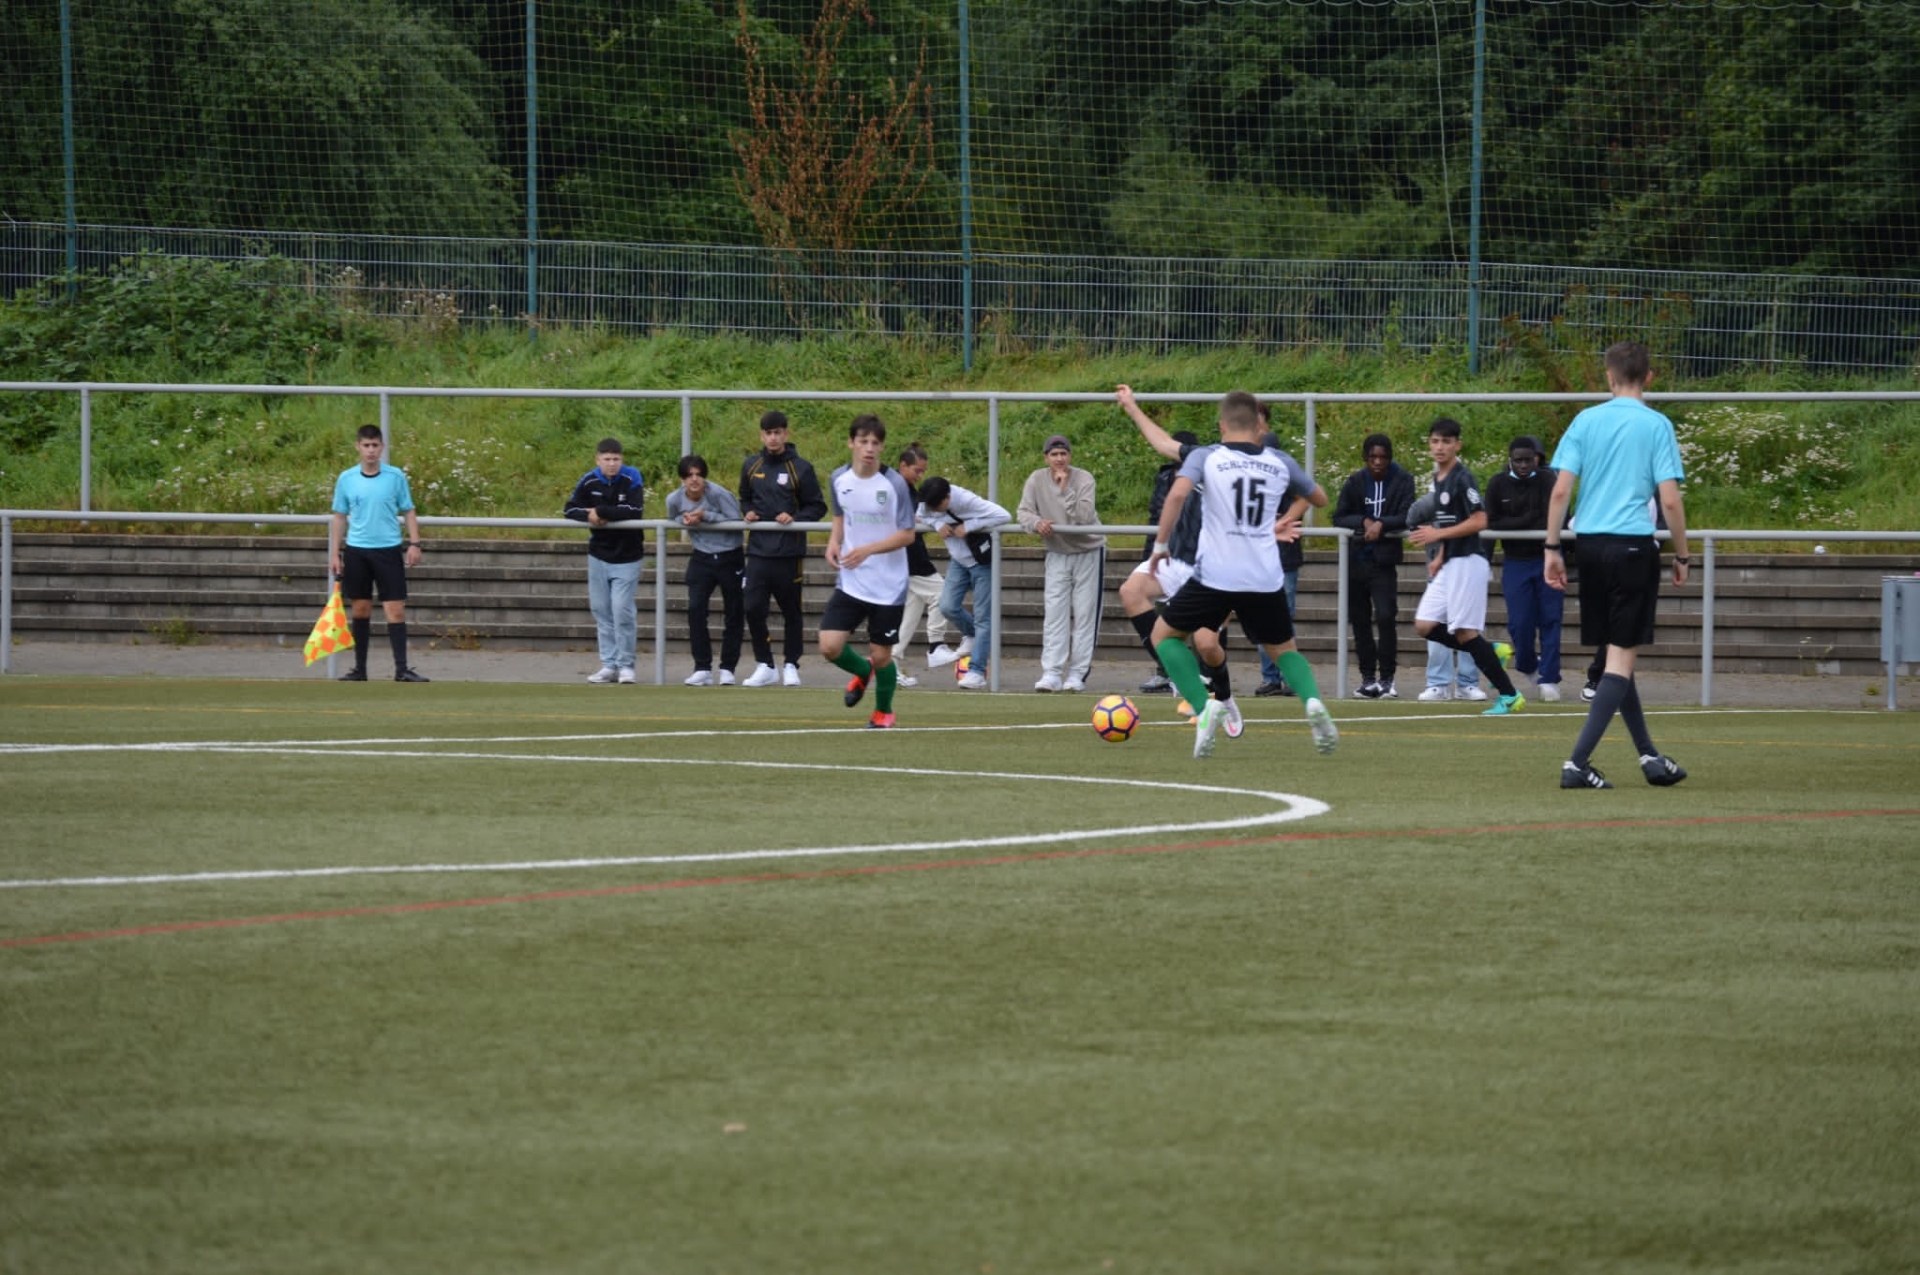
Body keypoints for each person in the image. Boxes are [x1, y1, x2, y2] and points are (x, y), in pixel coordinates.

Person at [1147, 390, 1337, 759]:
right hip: (1263, 575)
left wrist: (1160, 545)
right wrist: (1285, 518)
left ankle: (1204, 707)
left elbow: (1177, 495)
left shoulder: (1207, 456)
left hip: (1216, 574)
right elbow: (1319, 498)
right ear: (1258, 426)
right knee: (1284, 651)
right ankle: (1313, 701)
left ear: (1222, 426)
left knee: (1164, 636)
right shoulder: (1279, 461)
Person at [1544, 341, 1691, 789]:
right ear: (1649, 377)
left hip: (1589, 548)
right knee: (1621, 658)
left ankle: (1649, 756)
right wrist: (1682, 553)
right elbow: (1669, 500)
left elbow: (1560, 491)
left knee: (1617, 656)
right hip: (1632, 549)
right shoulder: (1656, 424)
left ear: (1608, 377)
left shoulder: (1586, 420)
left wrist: (1552, 547)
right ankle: (1576, 764)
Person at [1407, 417, 1525, 715]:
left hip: (1468, 563)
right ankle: (1491, 651)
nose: (1440, 447)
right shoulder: (1439, 478)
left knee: (1465, 633)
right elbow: (1452, 521)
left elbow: (1480, 520)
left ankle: (1510, 696)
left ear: (1457, 445)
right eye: (1435, 441)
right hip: (1450, 562)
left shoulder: (1462, 477)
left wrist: (1437, 536)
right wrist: (1440, 555)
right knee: (1424, 625)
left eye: (1446, 442)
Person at [821, 415, 918, 729]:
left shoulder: (894, 484)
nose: (869, 448)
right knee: (829, 646)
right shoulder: (839, 478)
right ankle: (863, 671)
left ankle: (883, 712)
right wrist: (834, 541)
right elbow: (840, 516)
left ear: (882, 447)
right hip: (851, 580)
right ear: (851, 443)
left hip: (888, 585)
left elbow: (907, 535)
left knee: (882, 655)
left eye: (875, 443)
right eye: (863, 441)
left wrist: (867, 550)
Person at [329, 424, 428, 682]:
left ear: (382, 447)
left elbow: (408, 510)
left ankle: (401, 669)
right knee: (360, 609)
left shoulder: (395, 477)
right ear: (358, 447)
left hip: (388, 550)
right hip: (357, 551)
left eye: (375, 445)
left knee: (395, 609)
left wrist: (415, 543)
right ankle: (359, 669)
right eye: (366, 445)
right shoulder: (347, 479)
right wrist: (335, 553)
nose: (371, 450)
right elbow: (339, 516)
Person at [738, 410, 826, 688]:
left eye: (778, 432)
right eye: (768, 433)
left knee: (791, 612)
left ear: (786, 434)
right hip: (758, 551)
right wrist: (748, 512)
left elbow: (817, 506)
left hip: (789, 552)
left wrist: (795, 518)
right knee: (752, 608)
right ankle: (765, 664)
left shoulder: (801, 468)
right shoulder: (751, 465)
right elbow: (744, 498)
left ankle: (791, 664)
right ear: (761, 436)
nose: (773, 438)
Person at [1018, 434, 1106, 692]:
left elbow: (1084, 516)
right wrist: (1037, 523)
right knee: (1054, 614)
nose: (1059, 459)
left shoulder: (1084, 478)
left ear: (1070, 456)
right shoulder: (1036, 479)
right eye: (1054, 454)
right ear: (1046, 458)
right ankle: (1052, 673)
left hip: (1089, 550)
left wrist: (1066, 488)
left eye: (1063, 454)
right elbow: (1023, 512)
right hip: (1057, 552)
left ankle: (1077, 674)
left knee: (1085, 614)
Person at [1331, 434, 1416, 700]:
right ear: (1365, 458)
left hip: (1383, 563)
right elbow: (1339, 516)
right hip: (1356, 561)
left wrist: (1383, 523)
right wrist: (1364, 521)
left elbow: (1407, 515)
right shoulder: (1355, 481)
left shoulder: (1403, 480)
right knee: (1359, 620)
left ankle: (1387, 678)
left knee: (1386, 616)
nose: (1378, 462)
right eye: (1373, 457)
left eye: (1383, 457)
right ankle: (1367, 678)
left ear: (1390, 458)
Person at [561, 437, 647, 685]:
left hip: (628, 555)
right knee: (601, 610)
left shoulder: (632, 477)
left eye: (616, 459)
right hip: (599, 554)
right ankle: (609, 665)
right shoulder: (589, 480)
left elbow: (634, 511)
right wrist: (589, 515)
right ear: (598, 460)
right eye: (607, 459)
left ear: (622, 459)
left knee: (622, 610)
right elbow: (569, 509)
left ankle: (626, 665)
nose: (612, 464)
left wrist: (601, 512)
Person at [1485, 434, 1564, 701]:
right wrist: (1526, 520)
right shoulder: (1497, 483)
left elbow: (1550, 518)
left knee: (1551, 619)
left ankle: (1550, 677)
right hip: (1515, 561)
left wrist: (1515, 522)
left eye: (1528, 460)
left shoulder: (1548, 479)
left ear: (1536, 459)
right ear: (1510, 460)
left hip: (1547, 558)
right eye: (1518, 460)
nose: (1523, 465)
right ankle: (1529, 665)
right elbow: (1491, 522)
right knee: (1520, 623)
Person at [916, 475, 1010, 690]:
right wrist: (937, 523)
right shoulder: (928, 502)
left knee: (984, 617)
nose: (933, 510)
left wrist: (970, 525)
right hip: (959, 561)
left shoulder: (966, 500)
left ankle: (977, 671)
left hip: (983, 563)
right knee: (947, 606)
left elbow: (1003, 515)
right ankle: (972, 634)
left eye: (937, 507)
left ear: (948, 498)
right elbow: (920, 515)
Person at [665, 453, 745, 687]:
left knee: (734, 612)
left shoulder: (719, 494)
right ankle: (702, 667)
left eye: (699, 475)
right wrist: (685, 520)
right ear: (682, 479)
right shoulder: (674, 499)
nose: (694, 479)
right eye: (689, 475)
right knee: (696, 609)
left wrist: (704, 516)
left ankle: (728, 668)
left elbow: (736, 521)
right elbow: (673, 517)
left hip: (730, 555)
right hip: (701, 557)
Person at [893, 442, 956, 684]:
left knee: (911, 612)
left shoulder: (910, 490)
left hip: (913, 556)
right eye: (917, 470)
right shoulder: (894, 488)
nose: (920, 476)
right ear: (903, 466)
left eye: (923, 471)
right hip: (908, 558)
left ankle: (891, 664)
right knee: (942, 594)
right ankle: (935, 645)